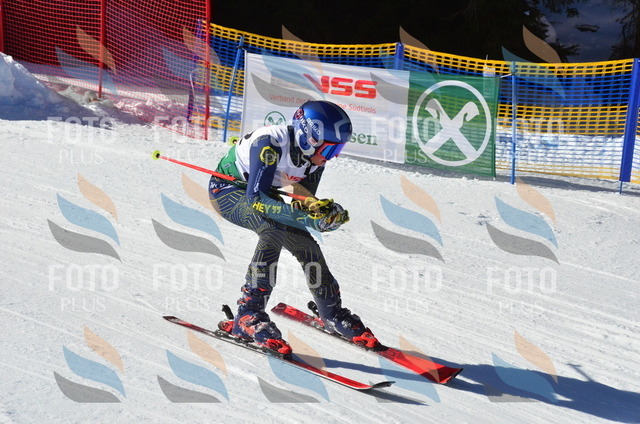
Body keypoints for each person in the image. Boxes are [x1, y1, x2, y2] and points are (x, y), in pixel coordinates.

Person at [209, 100, 379, 355]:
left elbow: (301, 199)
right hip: (228, 191)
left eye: (338, 149)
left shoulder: (315, 158)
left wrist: (322, 211)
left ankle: (331, 312)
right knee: (272, 231)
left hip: (265, 194)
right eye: (331, 148)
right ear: (309, 137)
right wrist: (311, 220)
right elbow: (257, 200)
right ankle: (248, 313)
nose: (333, 156)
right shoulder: (269, 143)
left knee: (306, 245)